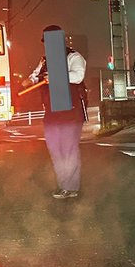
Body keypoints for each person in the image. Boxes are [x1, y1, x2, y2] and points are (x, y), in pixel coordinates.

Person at [27, 25, 87, 199]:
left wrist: (54, 77)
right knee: (55, 149)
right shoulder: (45, 60)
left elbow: (78, 76)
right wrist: (30, 80)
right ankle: (63, 184)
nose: (47, 46)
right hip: (51, 112)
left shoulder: (74, 57)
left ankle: (70, 187)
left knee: (69, 149)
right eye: (45, 42)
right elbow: (34, 76)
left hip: (71, 112)